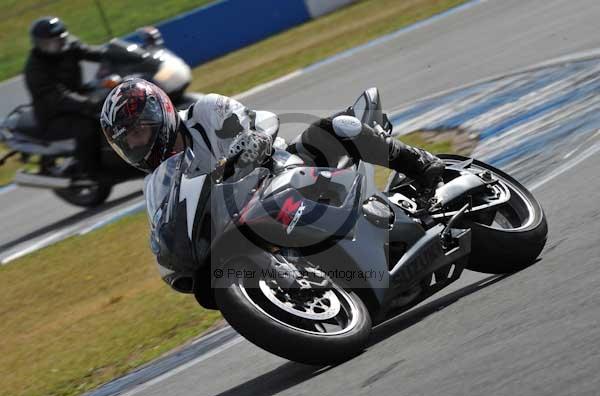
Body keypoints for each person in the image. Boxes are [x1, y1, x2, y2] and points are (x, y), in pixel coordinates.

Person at [99, 78, 444, 271]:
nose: (136, 145)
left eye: (139, 132)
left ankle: (423, 165)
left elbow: (260, 120)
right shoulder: (161, 181)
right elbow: (169, 221)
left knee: (333, 127)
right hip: (247, 222)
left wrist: (252, 143)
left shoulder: (205, 112)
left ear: (160, 113)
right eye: (126, 141)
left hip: (286, 169)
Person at [24, 16, 107, 176]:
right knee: (88, 127)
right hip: (54, 115)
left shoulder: (69, 47)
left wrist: (116, 54)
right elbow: (58, 98)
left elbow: (93, 52)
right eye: (50, 43)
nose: (58, 45)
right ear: (39, 44)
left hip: (77, 100)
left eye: (60, 39)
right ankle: (92, 172)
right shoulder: (35, 69)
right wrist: (89, 103)